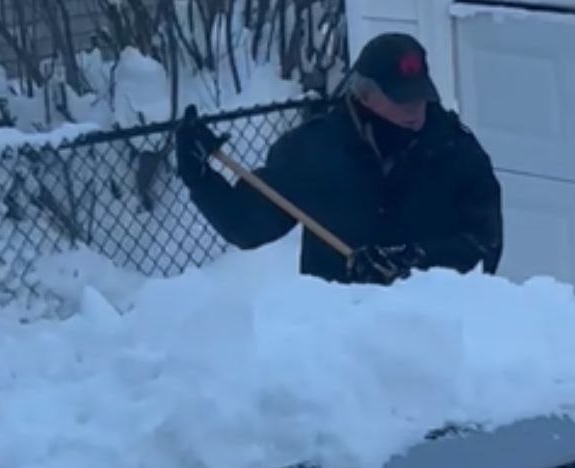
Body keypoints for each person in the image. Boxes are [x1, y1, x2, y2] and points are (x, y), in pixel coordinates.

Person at [174, 32, 503, 285]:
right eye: (401, 99)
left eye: (420, 96)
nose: (415, 108)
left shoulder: (454, 151)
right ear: (363, 95)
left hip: (425, 335)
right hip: (340, 340)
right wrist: (201, 178)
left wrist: (415, 260)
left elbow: (484, 244)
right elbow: (249, 226)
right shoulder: (315, 149)